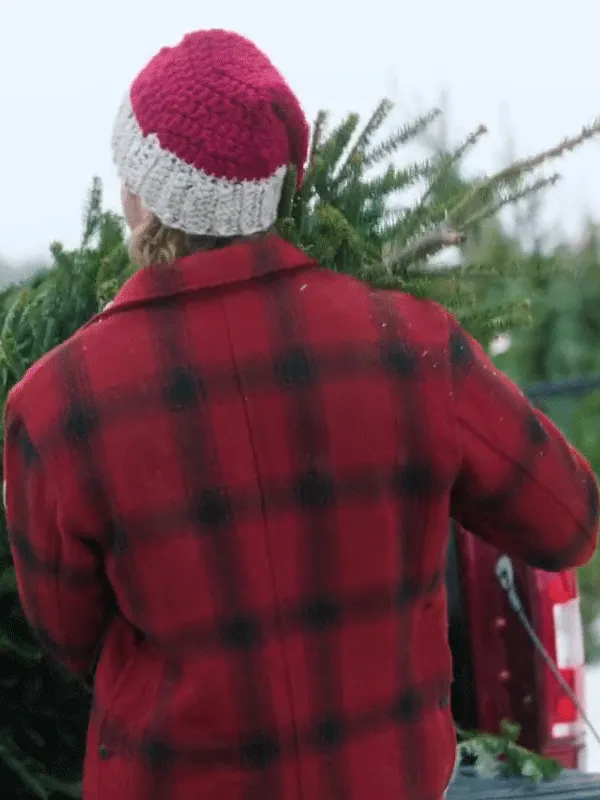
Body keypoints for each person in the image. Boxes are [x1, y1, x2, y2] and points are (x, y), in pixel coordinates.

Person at [3, 29, 598, 800]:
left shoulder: (57, 404)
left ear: (142, 197)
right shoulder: (413, 347)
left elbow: (67, 632)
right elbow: (568, 523)